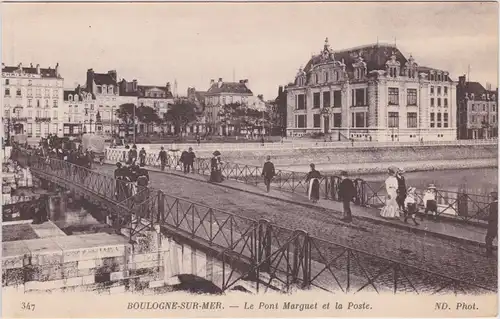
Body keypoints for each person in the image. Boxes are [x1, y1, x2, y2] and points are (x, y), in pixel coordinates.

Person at [485, 191, 498, 257]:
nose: (489, 198)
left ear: (493, 198)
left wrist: (487, 218)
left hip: (493, 224)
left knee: (488, 238)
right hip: (496, 224)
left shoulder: (493, 205)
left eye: (490, 197)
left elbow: (492, 216)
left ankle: (489, 253)